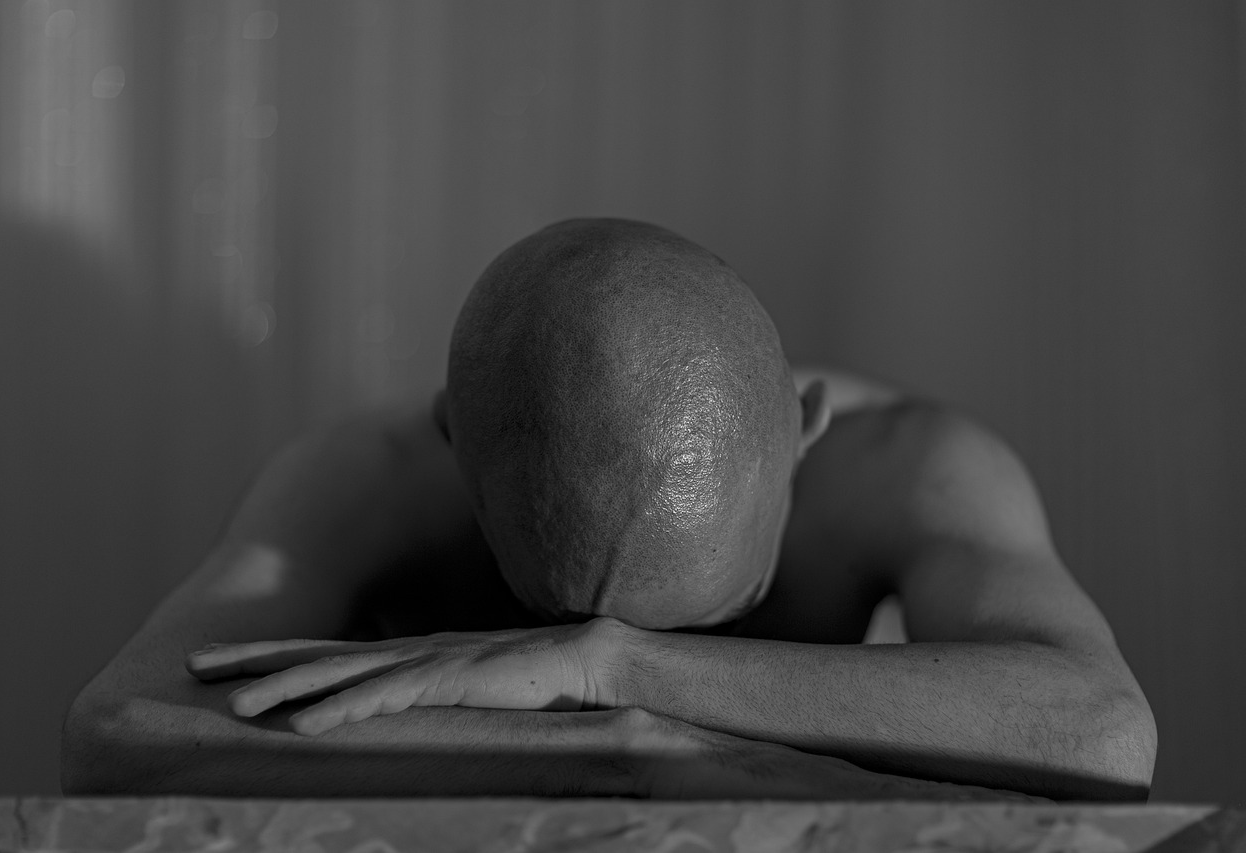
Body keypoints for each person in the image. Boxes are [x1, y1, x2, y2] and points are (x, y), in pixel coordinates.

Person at [61, 218, 1156, 801]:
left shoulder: (908, 463)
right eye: (565, 605)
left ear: (804, 426)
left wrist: (612, 671)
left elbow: (1100, 733)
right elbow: (117, 731)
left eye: (727, 601)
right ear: (454, 452)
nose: (629, 630)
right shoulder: (370, 475)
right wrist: (619, 749)